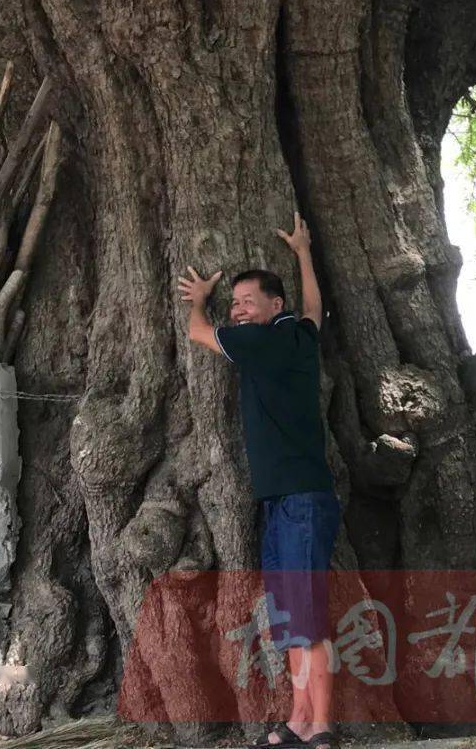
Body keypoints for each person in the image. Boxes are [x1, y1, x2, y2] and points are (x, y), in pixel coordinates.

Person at [179, 212, 341, 749]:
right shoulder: (299, 334)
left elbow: (197, 331)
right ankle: (299, 718)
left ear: (274, 306)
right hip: (286, 500)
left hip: (298, 501)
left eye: (247, 300)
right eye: (235, 302)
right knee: (294, 618)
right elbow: (314, 308)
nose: (239, 308)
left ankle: (321, 727)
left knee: (306, 618)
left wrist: (201, 298)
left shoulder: (262, 341)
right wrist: (303, 252)